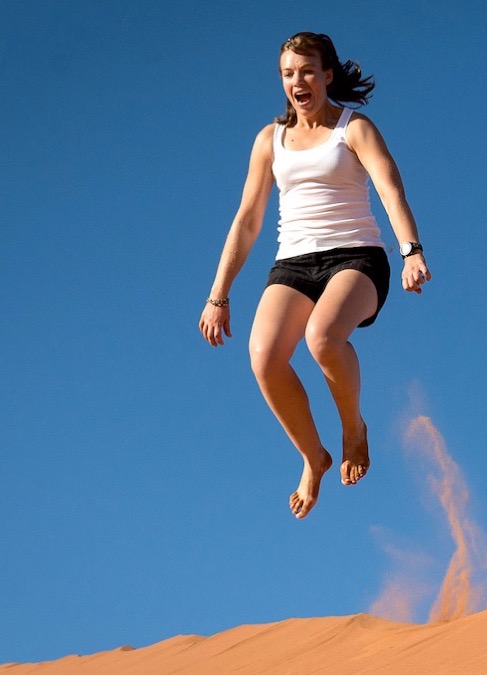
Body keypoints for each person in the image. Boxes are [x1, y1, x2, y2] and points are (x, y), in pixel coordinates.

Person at [200, 32, 430, 518]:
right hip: (294, 264)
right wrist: (218, 294)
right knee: (263, 357)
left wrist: (411, 250)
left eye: (306, 71)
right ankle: (313, 456)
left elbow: (390, 189)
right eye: (288, 73)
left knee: (322, 338)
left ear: (327, 75)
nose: (297, 81)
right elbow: (247, 220)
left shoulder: (355, 128)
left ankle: (353, 428)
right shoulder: (270, 140)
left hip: (358, 257)